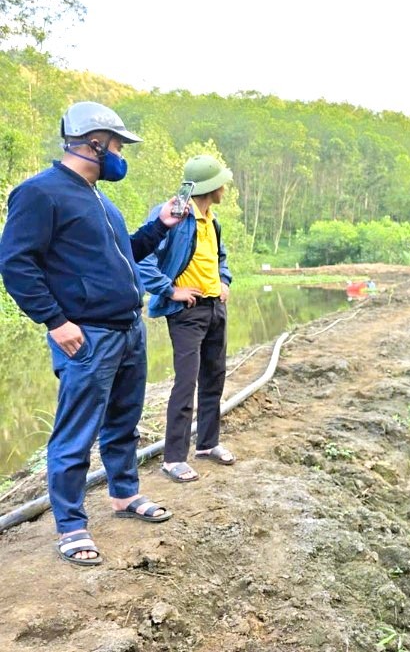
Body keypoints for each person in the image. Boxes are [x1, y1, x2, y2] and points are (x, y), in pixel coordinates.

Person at [0, 101, 188, 566]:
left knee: (123, 423)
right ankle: (71, 525)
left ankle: (124, 496)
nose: (121, 155)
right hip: (87, 337)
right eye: (118, 145)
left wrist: (160, 227)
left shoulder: (101, 199)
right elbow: (15, 263)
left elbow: (126, 254)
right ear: (94, 143)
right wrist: (55, 322)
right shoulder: (40, 194)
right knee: (75, 433)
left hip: (128, 329)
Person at [138, 155, 235, 484]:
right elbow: (141, 258)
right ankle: (174, 458)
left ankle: (207, 445)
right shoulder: (175, 215)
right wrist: (169, 290)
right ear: (210, 186)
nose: (225, 187)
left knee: (214, 377)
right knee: (185, 382)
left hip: (214, 307)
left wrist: (224, 281)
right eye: (221, 182)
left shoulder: (212, 219)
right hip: (187, 311)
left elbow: (219, 256)